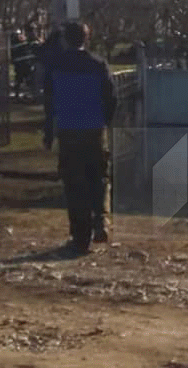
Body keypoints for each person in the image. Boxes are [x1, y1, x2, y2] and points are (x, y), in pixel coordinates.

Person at [43, 22, 117, 255]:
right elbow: (112, 97)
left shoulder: (55, 65)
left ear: (65, 39)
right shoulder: (98, 65)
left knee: (74, 183)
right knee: (100, 178)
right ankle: (101, 221)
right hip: (94, 130)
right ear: (87, 38)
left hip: (68, 131)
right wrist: (105, 120)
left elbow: (49, 103)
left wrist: (48, 132)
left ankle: (80, 236)